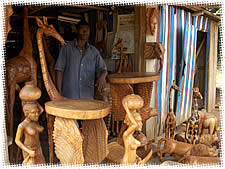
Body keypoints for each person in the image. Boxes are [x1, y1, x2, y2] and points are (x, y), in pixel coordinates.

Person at [55, 20, 107, 100]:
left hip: (87, 97)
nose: (85, 31)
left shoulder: (94, 52)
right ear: (77, 30)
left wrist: (103, 76)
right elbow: (59, 70)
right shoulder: (66, 49)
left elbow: (103, 69)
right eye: (82, 29)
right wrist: (58, 93)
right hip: (69, 96)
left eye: (87, 29)